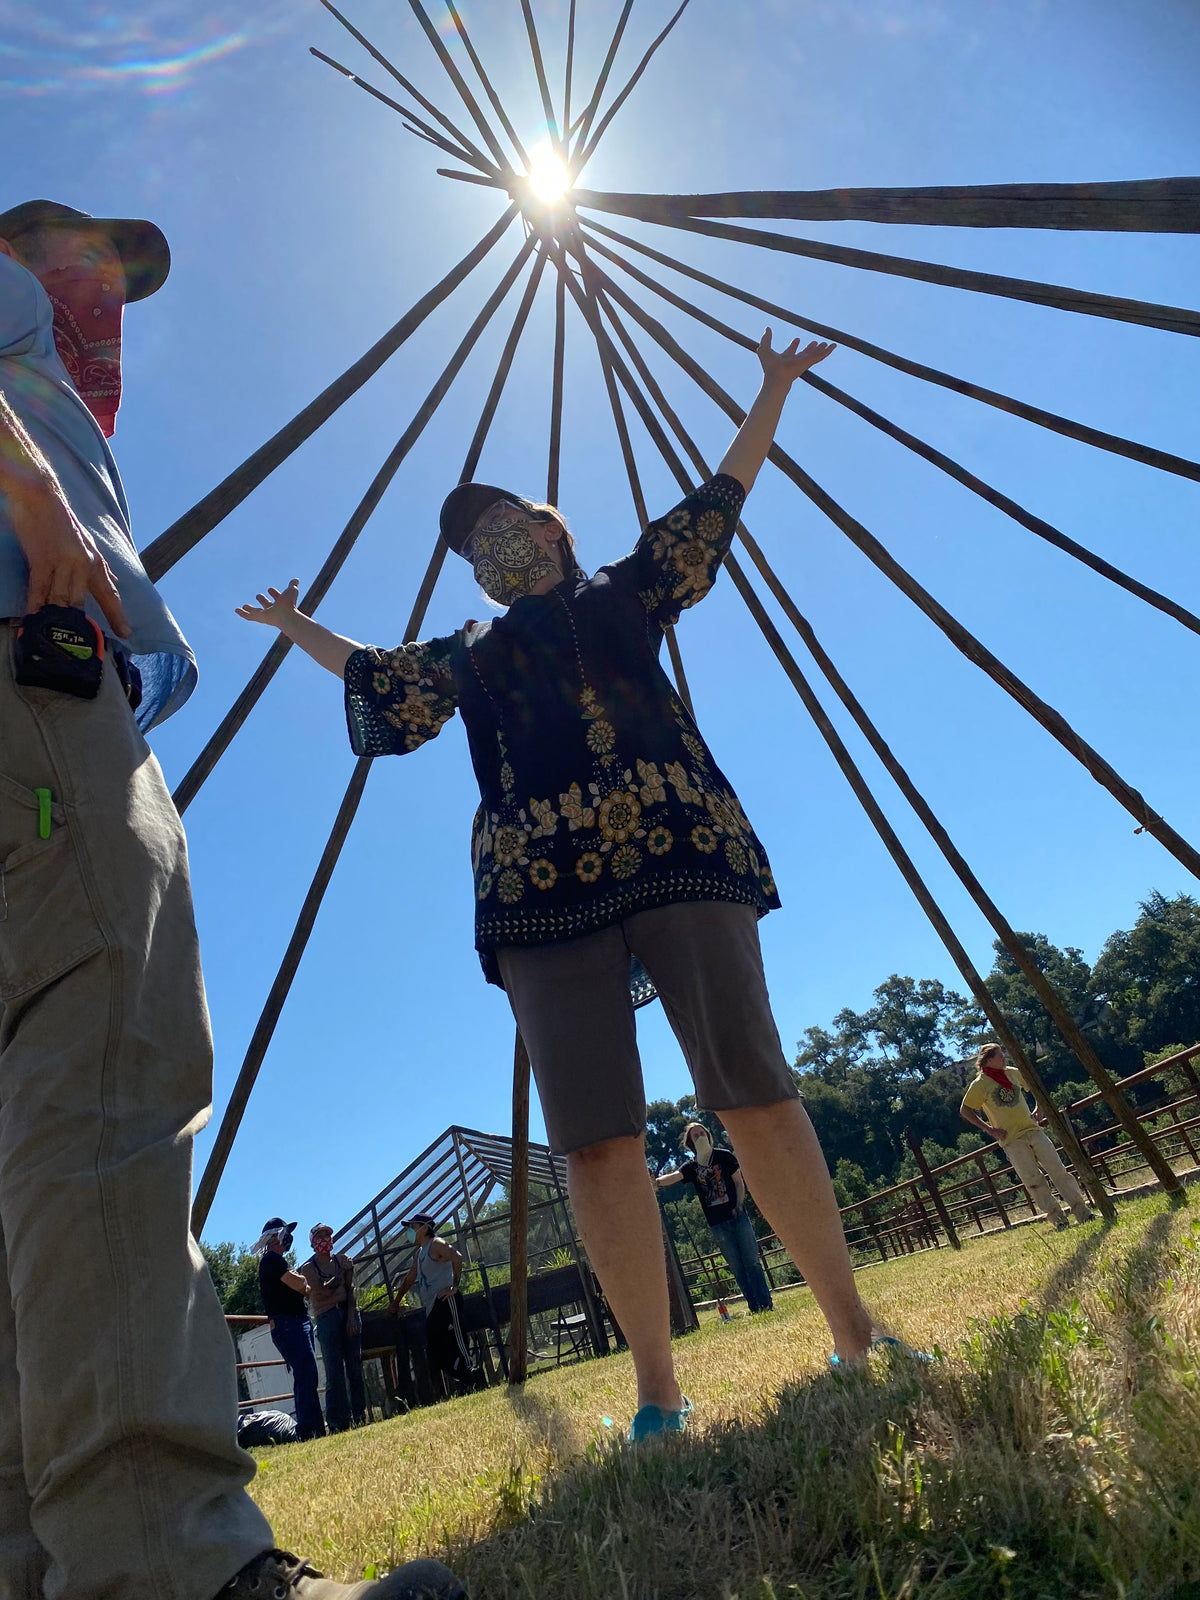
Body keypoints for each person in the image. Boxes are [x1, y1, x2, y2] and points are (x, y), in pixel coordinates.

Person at [238, 329, 884, 1440]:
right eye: (473, 545)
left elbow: (714, 505)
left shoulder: (630, 590)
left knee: (750, 1084)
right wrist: (300, 626)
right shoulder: (473, 654)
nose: (490, 548)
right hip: (538, 884)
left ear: (550, 529)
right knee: (594, 1136)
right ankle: (656, 1390)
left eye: (504, 526)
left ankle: (855, 1331)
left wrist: (769, 391)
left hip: (680, 840)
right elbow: (378, 677)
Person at [0, 197, 466, 1600]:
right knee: (102, 1067)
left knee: (23, 1140)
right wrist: (29, 487)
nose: (104, 291)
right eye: (80, 254)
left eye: (119, 275)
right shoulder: (15, 341)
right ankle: (164, 1569)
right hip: (34, 680)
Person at [960, 1043, 1094, 1229]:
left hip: (1033, 1129)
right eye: (999, 1055)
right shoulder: (980, 1084)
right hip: (1012, 1139)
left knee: (1058, 1170)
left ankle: (1083, 1213)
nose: (1003, 1058)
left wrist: (1039, 1107)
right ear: (988, 1060)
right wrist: (989, 1129)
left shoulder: (1012, 1073)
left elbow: (1034, 1085)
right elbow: (965, 1110)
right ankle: (1059, 1221)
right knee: (1034, 1181)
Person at [657, 1121, 774, 1312]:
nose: (700, 1136)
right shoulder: (692, 1167)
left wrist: (738, 1205)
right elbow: (675, 1176)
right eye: (695, 1135)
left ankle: (765, 1303)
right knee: (737, 1267)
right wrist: (655, 1182)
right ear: (691, 1142)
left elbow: (738, 1183)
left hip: (738, 1217)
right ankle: (754, 1305)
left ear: (708, 1135)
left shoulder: (724, 1156)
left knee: (752, 1261)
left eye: (702, 1132)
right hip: (717, 1225)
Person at [390, 1216, 484, 1397]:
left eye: (413, 1227)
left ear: (424, 1228)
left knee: (457, 1339)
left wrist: (454, 1285)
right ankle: (463, 1377)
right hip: (432, 1306)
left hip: (446, 1301)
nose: (409, 1231)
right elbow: (410, 1278)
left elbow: (457, 1257)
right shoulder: (420, 1253)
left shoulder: (436, 1244)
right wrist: (396, 1301)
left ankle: (470, 1375)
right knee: (435, 1350)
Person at [254, 1218, 325, 1441]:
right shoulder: (271, 1261)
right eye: (285, 1233)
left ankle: (314, 1428)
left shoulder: (277, 1262)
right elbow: (300, 1285)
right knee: (305, 1374)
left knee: (308, 1373)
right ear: (276, 1236)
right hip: (288, 1324)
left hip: (295, 1322)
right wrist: (302, 1281)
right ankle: (308, 1429)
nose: (289, 1237)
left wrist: (301, 1282)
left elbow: (304, 1286)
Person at [300, 1222, 367, 1432]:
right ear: (313, 1243)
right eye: (320, 1237)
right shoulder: (308, 1268)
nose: (325, 1240)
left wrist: (350, 1318)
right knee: (334, 1371)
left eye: (327, 1235)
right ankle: (338, 1420)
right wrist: (344, 1274)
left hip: (347, 1312)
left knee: (354, 1366)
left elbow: (350, 1290)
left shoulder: (341, 1260)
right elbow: (323, 1291)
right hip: (326, 1318)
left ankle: (359, 1413)